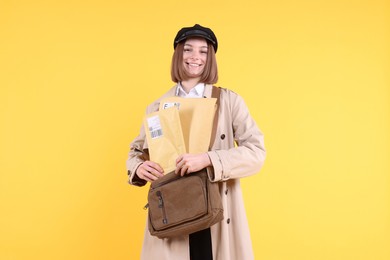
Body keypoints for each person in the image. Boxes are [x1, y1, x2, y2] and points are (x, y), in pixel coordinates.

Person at [126, 24, 266, 260]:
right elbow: (136, 153)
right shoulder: (157, 107)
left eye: (203, 51)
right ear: (178, 55)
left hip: (216, 210)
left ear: (210, 58)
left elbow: (256, 152)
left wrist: (209, 159)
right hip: (173, 208)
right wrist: (138, 167)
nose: (195, 57)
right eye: (188, 49)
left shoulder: (229, 101)